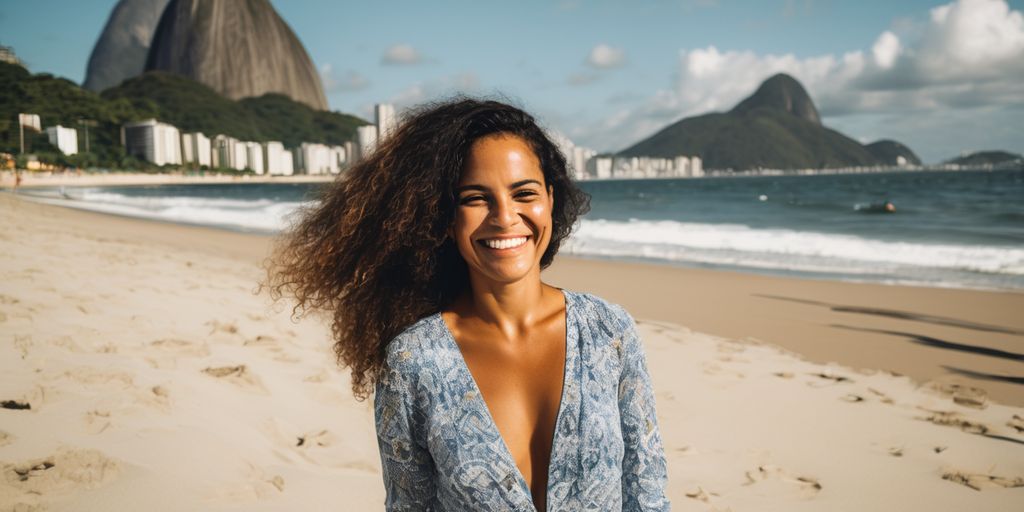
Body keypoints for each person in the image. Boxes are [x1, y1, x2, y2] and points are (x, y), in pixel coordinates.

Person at [266, 98, 670, 511]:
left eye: (524, 193)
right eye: (476, 198)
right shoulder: (413, 362)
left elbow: (648, 493)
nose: (504, 216)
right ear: (445, 216)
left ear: (550, 198)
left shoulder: (610, 331)